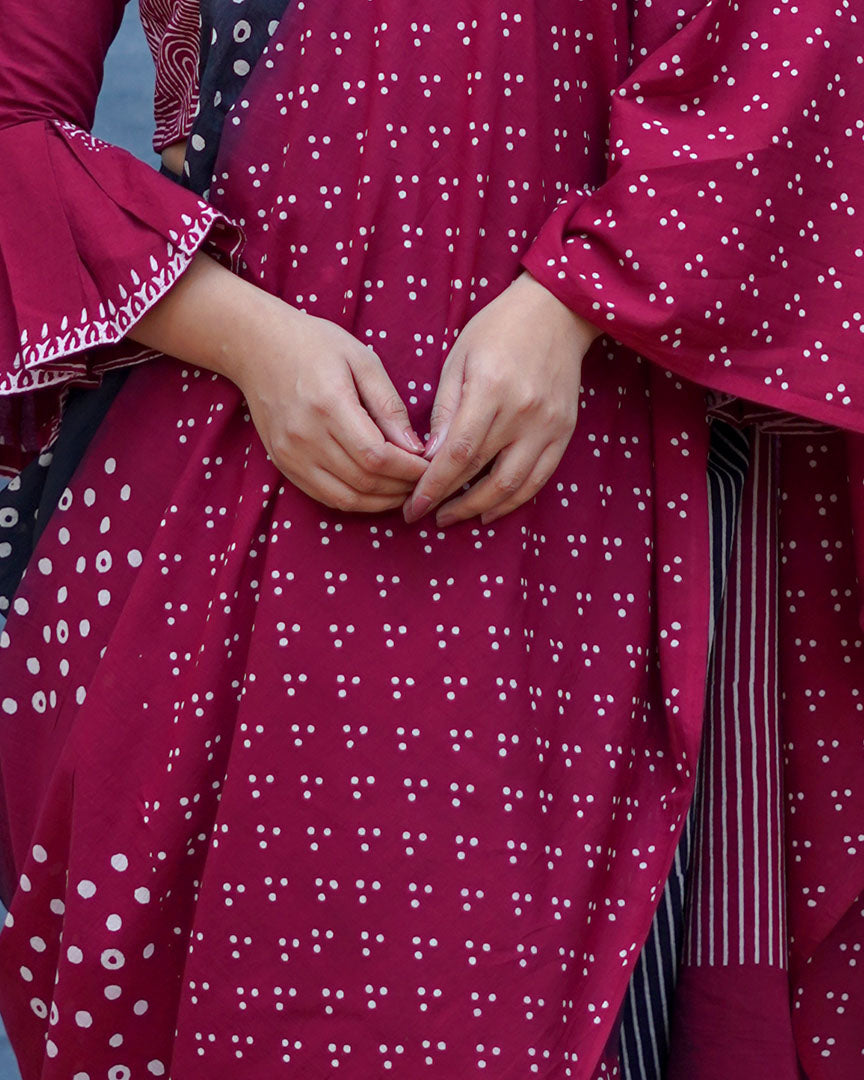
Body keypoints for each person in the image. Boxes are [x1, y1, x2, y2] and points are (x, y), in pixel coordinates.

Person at [0, 1, 861, 1077]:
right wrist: (253, 342)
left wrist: (569, 307)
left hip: (591, 529)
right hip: (221, 539)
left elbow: (789, 38)